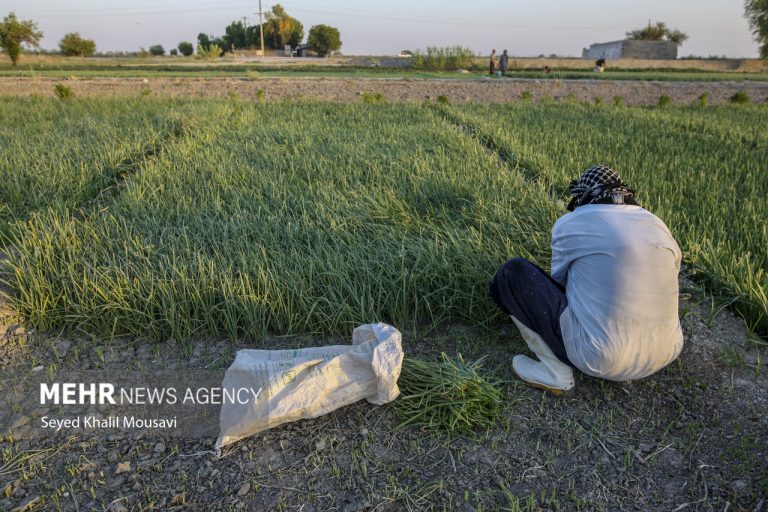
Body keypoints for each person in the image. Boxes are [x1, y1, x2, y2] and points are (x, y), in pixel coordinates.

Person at [489, 165, 684, 393]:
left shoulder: (571, 222)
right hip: (667, 350)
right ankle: (625, 360)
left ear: (582, 197)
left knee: (513, 273)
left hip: (601, 357)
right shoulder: (656, 223)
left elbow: (559, 284)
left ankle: (554, 371)